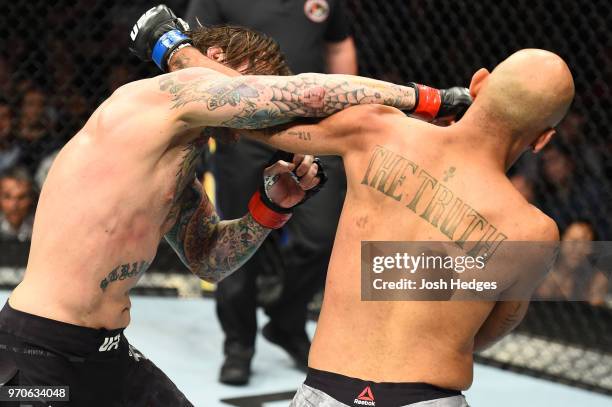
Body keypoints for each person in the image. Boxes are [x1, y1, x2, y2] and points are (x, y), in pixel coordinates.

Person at [0, 5, 470, 406]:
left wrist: (270, 207)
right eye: (259, 79)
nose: (263, 109)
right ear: (219, 60)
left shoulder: (176, 156)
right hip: (37, 349)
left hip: (107, 351)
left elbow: (208, 259)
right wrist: (426, 100)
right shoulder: (161, 97)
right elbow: (303, 95)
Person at [172, 48, 570, 406]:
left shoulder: (381, 131)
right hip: (429, 397)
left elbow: (256, 108)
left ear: (478, 82)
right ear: (543, 139)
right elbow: (497, 324)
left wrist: (175, 51)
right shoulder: (534, 231)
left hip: (327, 390)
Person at [185, 0, 359, 384]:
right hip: (243, 127)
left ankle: (285, 320)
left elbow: (338, 44)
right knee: (232, 232)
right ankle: (239, 346)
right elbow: (193, 50)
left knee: (323, 235)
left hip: (313, 126)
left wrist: (346, 111)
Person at [0, 166, 35, 242]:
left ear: (31, 198)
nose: (14, 205)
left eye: (21, 197)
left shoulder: (40, 230)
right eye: (7, 197)